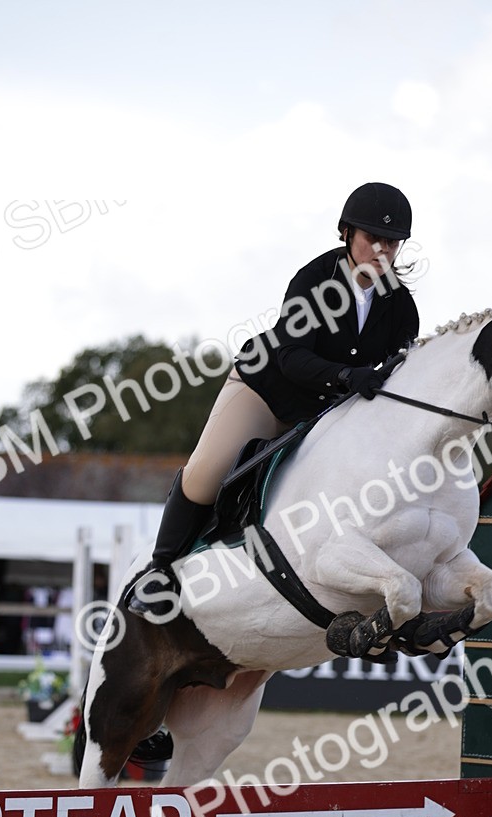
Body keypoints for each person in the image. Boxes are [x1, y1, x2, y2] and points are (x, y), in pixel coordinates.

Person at [126, 181, 420, 619]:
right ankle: (160, 571)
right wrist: (347, 375)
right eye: (371, 239)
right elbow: (291, 358)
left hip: (326, 412)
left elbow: (401, 370)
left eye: (391, 243)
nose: (381, 250)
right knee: (208, 473)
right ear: (347, 234)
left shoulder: (400, 306)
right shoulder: (313, 281)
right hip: (265, 389)